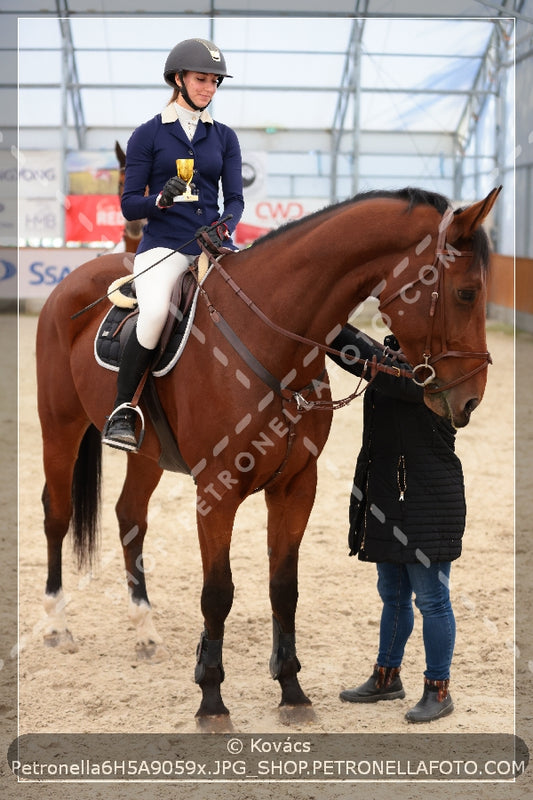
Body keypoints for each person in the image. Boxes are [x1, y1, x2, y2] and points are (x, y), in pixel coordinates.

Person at [102, 38, 244, 450]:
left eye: (215, 82)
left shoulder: (225, 138)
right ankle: (122, 409)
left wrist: (225, 227)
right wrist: (158, 200)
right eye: (202, 80)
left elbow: (233, 199)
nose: (210, 89)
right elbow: (130, 206)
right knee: (155, 315)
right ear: (178, 79)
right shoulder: (148, 135)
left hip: (213, 246)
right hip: (163, 247)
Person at [328, 323, 466, 723]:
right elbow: (370, 360)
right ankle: (387, 677)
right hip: (391, 497)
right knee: (392, 595)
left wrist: (329, 322)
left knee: (432, 600)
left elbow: (372, 365)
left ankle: (438, 690)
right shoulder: (395, 355)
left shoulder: (436, 368)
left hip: (428, 501)